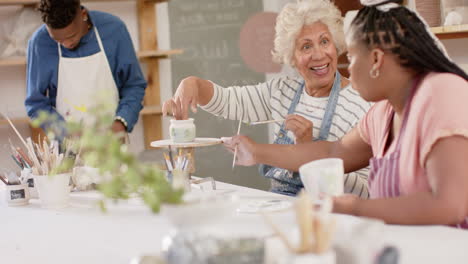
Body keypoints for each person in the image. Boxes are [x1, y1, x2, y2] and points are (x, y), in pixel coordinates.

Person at [224, 0, 468, 228]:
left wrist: (357, 208)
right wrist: (256, 151)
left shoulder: (441, 92)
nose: (347, 67)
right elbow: (332, 151)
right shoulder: (384, 113)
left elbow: (449, 206)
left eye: (351, 57)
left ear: (375, 59)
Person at [162, 0, 372, 197]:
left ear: (336, 45)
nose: (318, 55)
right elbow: (228, 101)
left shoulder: (360, 103)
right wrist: (193, 85)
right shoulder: (282, 91)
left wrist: (308, 153)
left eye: (324, 42)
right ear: (291, 57)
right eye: (306, 46)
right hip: (279, 207)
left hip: (329, 216)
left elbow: (365, 192)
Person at [25, 0, 146, 138]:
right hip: (67, 149)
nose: (66, 44)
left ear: (83, 14)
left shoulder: (114, 30)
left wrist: (121, 123)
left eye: (71, 36)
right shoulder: (39, 43)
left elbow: (134, 86)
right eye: (58, 40)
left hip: (112, 145)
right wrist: (65, 131)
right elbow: (35, 104)